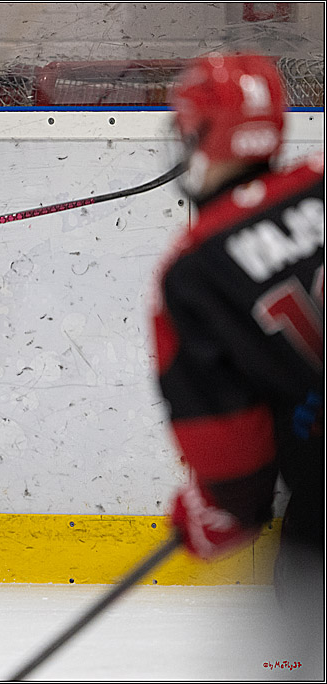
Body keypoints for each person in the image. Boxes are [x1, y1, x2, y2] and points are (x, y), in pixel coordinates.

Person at [153, 52, 323, 665]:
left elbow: (229, 446)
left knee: (302, 641)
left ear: (200, 133)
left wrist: (225, 504)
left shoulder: (196, 270)